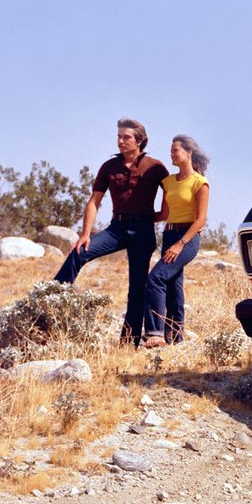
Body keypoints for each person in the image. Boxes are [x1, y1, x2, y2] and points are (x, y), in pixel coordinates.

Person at [55, 118, 169, 345]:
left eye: (126, 137)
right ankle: (51, 300)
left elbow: (174, 192)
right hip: (116, 228)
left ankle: (129, 341)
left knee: (136, 288)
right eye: (118, 136)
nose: (120, 141)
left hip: (143, 230)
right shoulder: (109, 167)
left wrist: (161, 215)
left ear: (140, 141)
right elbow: (94, 201)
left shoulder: (156, 167)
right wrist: (85, 234)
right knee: (78, 253)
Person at [142, 135, 210, 347]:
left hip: (186, 239)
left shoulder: (200, 183)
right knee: (173, 284)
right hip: (169, 234)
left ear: (188, 153)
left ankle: (155, 333)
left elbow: (200, 220)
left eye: (175, 150)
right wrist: (138, 216)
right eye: (170, 151)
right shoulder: (169, 182)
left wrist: (181, 244)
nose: (171, 154)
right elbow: (163, 214)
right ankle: (175, 336)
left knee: (155, 279)